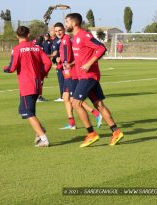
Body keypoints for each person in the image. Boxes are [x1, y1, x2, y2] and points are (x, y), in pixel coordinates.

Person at [65, 13, 124, 147]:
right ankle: (116, 131)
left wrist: (89, 63)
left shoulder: (84, 35)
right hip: (85, 76)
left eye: (67, 21)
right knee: (99, 105)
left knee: (75, 102)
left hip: (89, 76)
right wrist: (72, 64)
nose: (66, 24)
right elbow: (83, 55)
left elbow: (101, 48)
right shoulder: (75, 38)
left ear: (74, 23)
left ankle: (91, 134)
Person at [3, 26, 52, 147]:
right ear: (28, 34)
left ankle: (43, 137)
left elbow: (12, 68)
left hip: (26, 85)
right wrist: (42, 74)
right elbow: (48, 62)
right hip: (36, 84)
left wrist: (5, 69)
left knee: (28, 113)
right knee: (24, 110)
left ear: (16, 36)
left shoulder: (17, 49)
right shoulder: (37, 48)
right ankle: (40, 130)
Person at [54, 22, 103, 130]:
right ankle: (71, 122)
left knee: (74, 100)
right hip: (67, 73)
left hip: (72, 74)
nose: (58, 33)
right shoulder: (63, 40)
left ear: (64, 29)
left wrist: (59, 66)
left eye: (60, 30)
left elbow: (69, 60)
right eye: (56, 31)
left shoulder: (66, 40)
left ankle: (95, 114)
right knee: (66, 97)